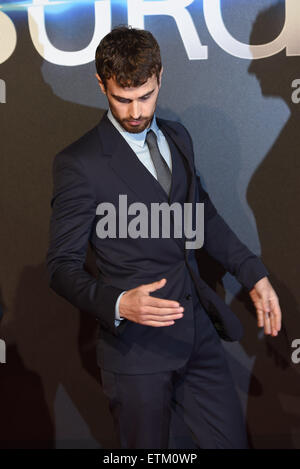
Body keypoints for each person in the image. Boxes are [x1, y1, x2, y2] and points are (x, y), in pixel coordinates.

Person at [46, 26, 282, 449]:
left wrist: (253, 273)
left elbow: (201, 215)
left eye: (145, 96)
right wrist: (118, 303)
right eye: (122, 99)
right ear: (101, 85)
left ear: (160, 77)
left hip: (198, 336)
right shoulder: (79, 164)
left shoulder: (178, 137)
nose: (135, 111)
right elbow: (61, 268)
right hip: (136, 354)